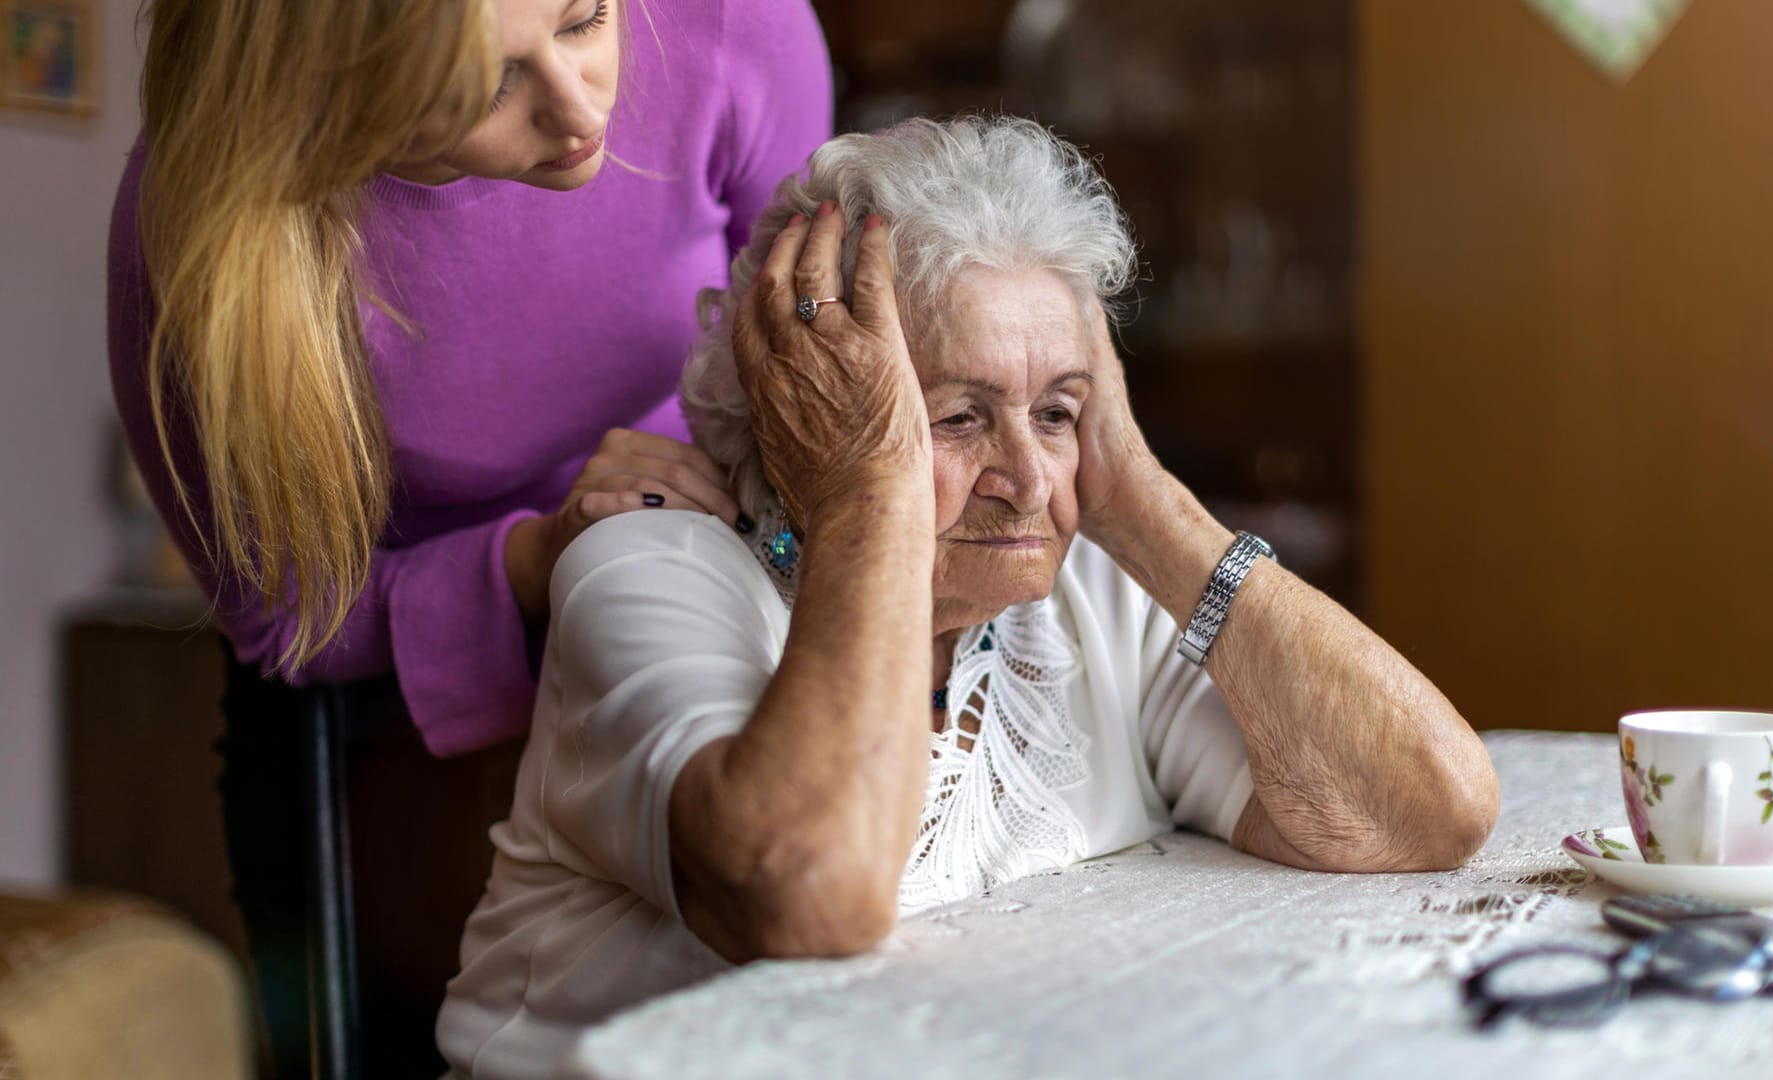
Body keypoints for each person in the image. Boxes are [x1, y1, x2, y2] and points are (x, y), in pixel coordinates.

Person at [436, 115, 1501, 1078]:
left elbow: (1429, 808)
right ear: (806, 412)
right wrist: (866, 488)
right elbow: (808, 893)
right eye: (956, 418)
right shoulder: (656, 568)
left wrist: (1144, 503)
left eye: (1056, 411)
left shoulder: (1085, 588)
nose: (1030, 480)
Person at [106, 0, 829, 1071]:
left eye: (585, 20)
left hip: (690, 605)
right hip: (376, 707)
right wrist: (537, 557)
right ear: (338, 99)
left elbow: (811, 364)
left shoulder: (727, 22)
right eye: (489, 87)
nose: (584, 106)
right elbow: (282, 616)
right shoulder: (197, 229)